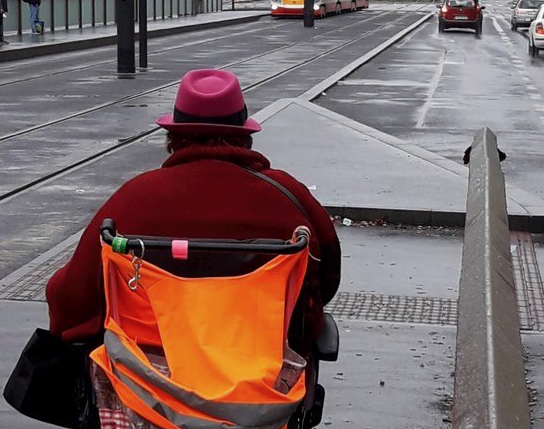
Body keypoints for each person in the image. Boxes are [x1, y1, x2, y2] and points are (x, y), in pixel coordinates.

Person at [46, 69, 341, 354]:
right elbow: (326, 278)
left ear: (173, 138)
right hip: (265, 373)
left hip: (148, 380)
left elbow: (73, 298)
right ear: (244, 136)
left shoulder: (134, 198)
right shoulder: (289, 196)